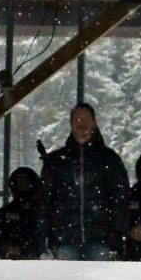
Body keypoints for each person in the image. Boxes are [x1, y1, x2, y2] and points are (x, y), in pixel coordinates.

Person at [38, 103, 130, 261]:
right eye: (77, 119)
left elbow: (121, 199)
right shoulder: (57, 161)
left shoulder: (109, 159)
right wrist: (45, 236)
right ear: (71, 124)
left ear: (94, 123)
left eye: (86, 119)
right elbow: (45, 202)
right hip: (64, 241)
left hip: (101, 241)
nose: (82, 123)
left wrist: (117, 234)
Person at [0, 167, 44, 259]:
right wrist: (7, 248)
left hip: (36, 260)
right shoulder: (4, 213)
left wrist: (27, 251)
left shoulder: (42, 212)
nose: (22, 185)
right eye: (19, 182)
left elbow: (44, 238)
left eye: (26, 182)